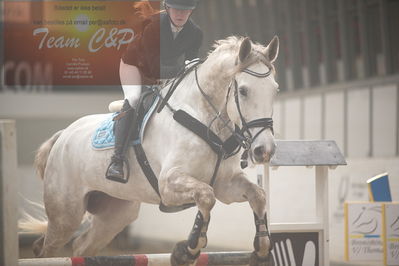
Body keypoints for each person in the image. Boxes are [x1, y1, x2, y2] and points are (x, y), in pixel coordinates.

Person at [106, 0, 203, 182]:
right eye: (176, 9)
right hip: (134, 65)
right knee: (135, 99)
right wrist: (184, 70)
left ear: (191, 11)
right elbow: (152, 67)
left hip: (165, 69)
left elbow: (192, 63)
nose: (180, 14)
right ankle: (116, 160)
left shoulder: (195, 33)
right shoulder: (154, 26)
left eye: (185, 10)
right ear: (167, 8)